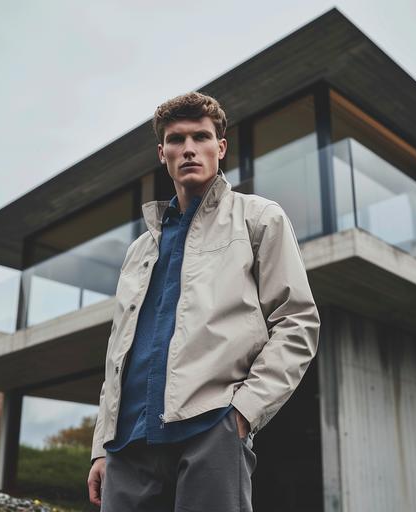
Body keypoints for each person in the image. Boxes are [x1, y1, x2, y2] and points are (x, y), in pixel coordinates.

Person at [87, 91, 320, 511]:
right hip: (128, 444)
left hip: (211, 429)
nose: (189, 148)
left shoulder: (259, 218)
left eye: (201, 136)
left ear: (221, 147)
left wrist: (243, 413)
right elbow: (116, 353)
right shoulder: (139, 250)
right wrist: (102, 445)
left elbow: (297, 321)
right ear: (163, 153)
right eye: (177, 139)